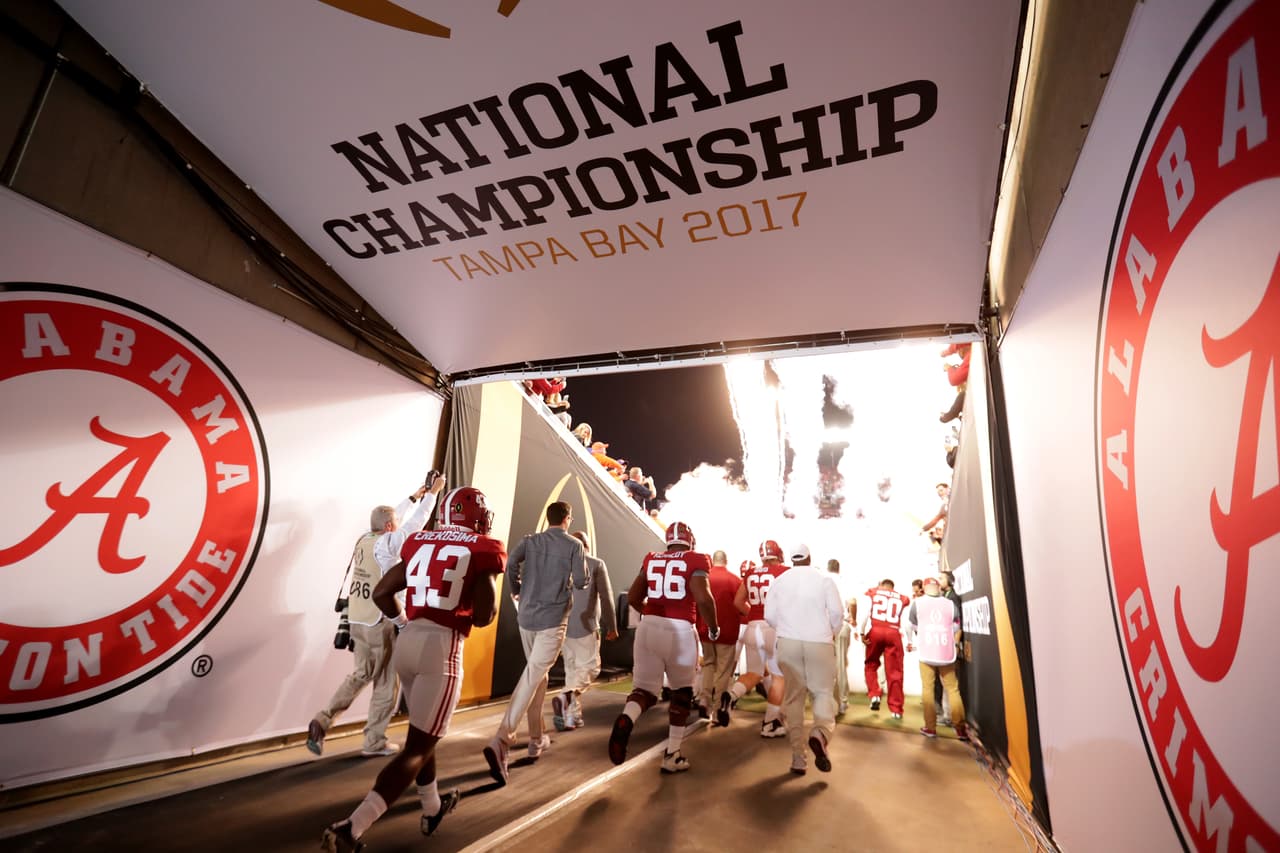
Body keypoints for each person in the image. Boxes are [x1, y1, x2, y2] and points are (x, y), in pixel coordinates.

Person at [321, 486, 505, 852]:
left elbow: (381, 593)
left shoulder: (422, 541)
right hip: (443, 649)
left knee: (423, 735)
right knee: (418, 747)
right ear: (479, 517)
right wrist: (477, 585)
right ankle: (351, 828)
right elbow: (485, 616)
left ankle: (432, 807)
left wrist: (404, 621)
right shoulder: (481, 549)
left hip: (409, 642)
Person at [308, 476, 447, 758]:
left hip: (358, 618)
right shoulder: (386, 544)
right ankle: (322, 720)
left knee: (386, 680)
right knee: (364, 674)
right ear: (388, 527)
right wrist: (432, 495)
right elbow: (412, 525)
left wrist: (413, 497)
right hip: (378, 620)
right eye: (393, 524)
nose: (396, 526)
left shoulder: (365, 538)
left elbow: (395, 516)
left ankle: (374, 740)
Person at [482, 501, 587, 786]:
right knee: (532, 676)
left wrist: (517, 590)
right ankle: (503, 738)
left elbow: (509, 564)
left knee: (536, 676)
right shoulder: (574, 546)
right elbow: (581, 581)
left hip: (526, 616)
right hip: (553, 620)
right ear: (567, 518)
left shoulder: (530, 541)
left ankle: (536, 739)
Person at [607, 521, 718, 773]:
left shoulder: (652, 558)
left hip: (648, 628)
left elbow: (634, 597)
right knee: (681, 693)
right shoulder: (696, 560)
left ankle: (627, 718)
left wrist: (653, 615)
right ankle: (672, 754)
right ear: (691, 540)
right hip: (679, 630)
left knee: (644, 690)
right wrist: (713, 627)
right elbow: (703, 598)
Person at [766, 544, 844, 775]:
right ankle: (820, 733)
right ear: (809, 558)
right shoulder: (823, 580)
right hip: (819, 641)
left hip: (788, 642)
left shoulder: (779, 581)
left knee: (794, 699)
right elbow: (838, 613)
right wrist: (831, 633)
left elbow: (769, 616)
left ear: (791, 559)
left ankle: (798, 759)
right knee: (822, 693)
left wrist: (784, 630)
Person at [718, 539, 789, 736]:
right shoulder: (784, 571)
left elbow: (738, 601)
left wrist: (754, 616)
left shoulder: (751, 573)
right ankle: (769, 724)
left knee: (754, 673)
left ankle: (732, 696)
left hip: (753, 627)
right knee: (778, 677)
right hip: (774, 629)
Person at [553, 531, 618, 731]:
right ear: (587, 546)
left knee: (572, 671)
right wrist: (612, 626)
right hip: (586, 625)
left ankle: (572, 717)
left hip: (562, 624)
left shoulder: (560, 564)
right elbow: (606, 598)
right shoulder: (596, 564)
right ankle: (566, 696)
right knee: (592, 667)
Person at [906, 577, 970, 741]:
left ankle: (930, 727)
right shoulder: (949, 604)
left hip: (927, 652)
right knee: (953, 689)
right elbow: (956, 626)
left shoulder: (918, 603)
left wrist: (916, 637)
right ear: (938, 588)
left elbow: (911, 625)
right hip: (946, 652)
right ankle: (960, 729)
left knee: (927, 689)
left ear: (925, 588)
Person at [696, 550, 746, 721]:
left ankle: (704, 700)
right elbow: (741, 606)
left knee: (708, 665)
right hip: (727, 631)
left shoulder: (703, 577)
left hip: (705, 629)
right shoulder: (735, 580)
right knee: (723, 671)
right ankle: (717, 711)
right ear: (726, 560)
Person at [858, 579, 910, 719]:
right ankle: (896, 710)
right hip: (894, 632)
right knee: (895, 672)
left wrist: (861, 632)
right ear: (893, 588)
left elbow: (864, 615)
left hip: (876, 631)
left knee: (870, 664)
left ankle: (874, 694)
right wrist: (910, 640)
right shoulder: (901, 598)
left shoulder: (873, 593)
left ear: (881, 586)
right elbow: (906, 623)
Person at [826, 558, 857, 716]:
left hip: (824, 627)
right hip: (841, 625)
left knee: (826, 667)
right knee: (840, 665)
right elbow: (852, 601)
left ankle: (828, 702)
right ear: (838, 569)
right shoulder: (843, 581)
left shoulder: (823, 580)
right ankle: (842, 702)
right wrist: (853, 618)